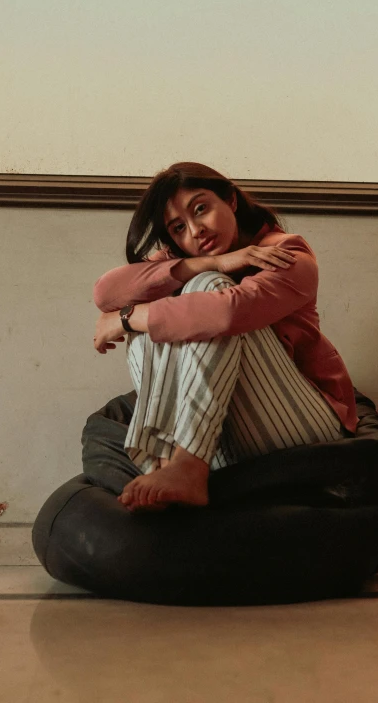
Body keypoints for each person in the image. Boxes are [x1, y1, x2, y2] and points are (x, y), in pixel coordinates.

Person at [92, 161, 358, 512]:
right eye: (178, 227)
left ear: (230, 200)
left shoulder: (288, 253)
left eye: (201, 209)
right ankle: (164, 466)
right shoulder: (191, 256)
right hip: (227, 436)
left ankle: (186, 465)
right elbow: (105, 293)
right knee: (164, 307)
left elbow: (226, 313)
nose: (195, 230)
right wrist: (212, 263)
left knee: (206, 294)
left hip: (304, 428)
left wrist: (125, 318)